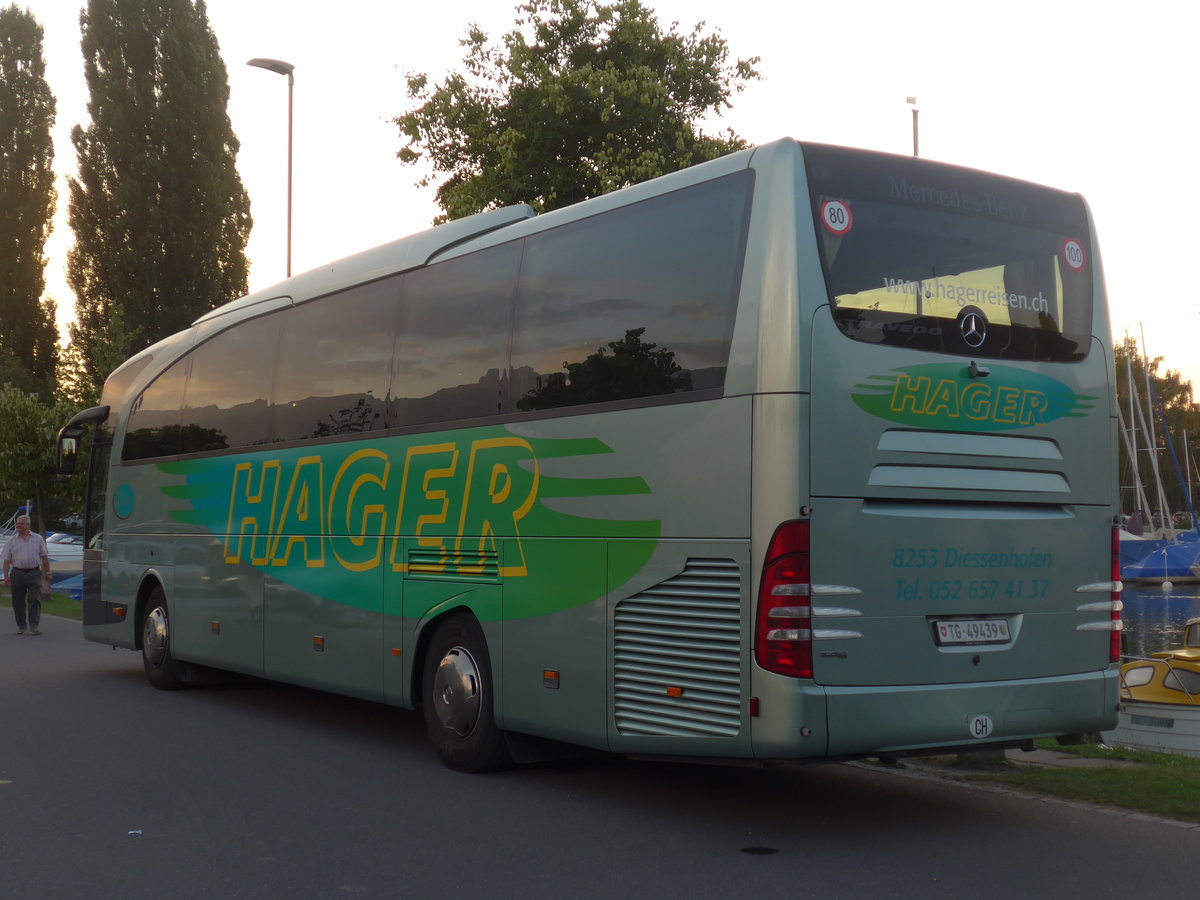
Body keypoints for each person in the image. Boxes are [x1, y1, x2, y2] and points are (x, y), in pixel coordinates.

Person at [3, 515, 51, 635]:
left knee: (34, 599)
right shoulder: (11, 541)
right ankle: (22, 626)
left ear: (28, 525)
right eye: (17, 524)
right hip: (17, 573)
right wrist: (6, 576)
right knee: (18, 601)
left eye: (21, 524)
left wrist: (48, 572)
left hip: (34, 573)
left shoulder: (37, 538)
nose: (18, 526)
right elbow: (6, 560)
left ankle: (34, 626)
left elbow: (44, 557)